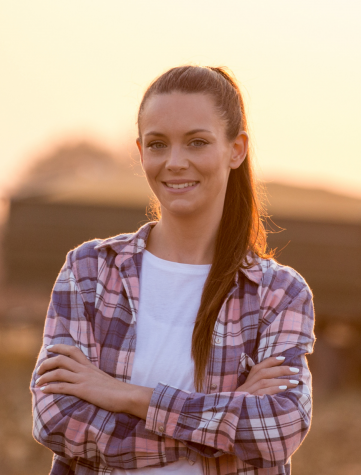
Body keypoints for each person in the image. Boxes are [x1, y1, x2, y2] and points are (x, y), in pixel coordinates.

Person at [30, 66, 315, 475]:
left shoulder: (278, 293)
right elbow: (55, 418)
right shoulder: (90, 271)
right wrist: (224, 428)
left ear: (236, 149)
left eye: (197, 142)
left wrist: (123, 395)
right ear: (140, 150)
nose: (175, 162)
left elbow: (278, 430)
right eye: (158, 144)